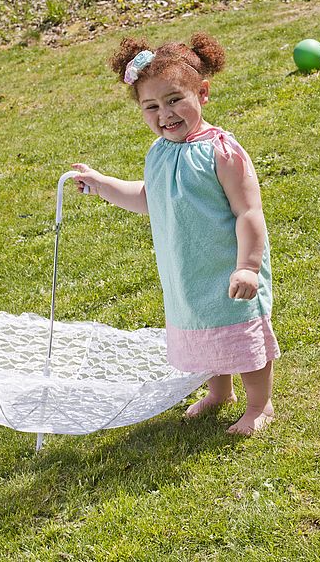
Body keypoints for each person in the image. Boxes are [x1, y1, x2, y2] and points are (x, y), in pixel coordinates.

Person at [72, 32, 280, 435]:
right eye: (151, 106)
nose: (164, 114)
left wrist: (248, 267)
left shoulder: (222, 151)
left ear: (201, 93)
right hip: (186, 273)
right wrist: (101, 184)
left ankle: (260, 404)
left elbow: (248, 211)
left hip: (225, 266)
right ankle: (220, 393)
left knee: (239, 336)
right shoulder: (160, 152)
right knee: (205, 334)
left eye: (174, 100)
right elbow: (150, 197)